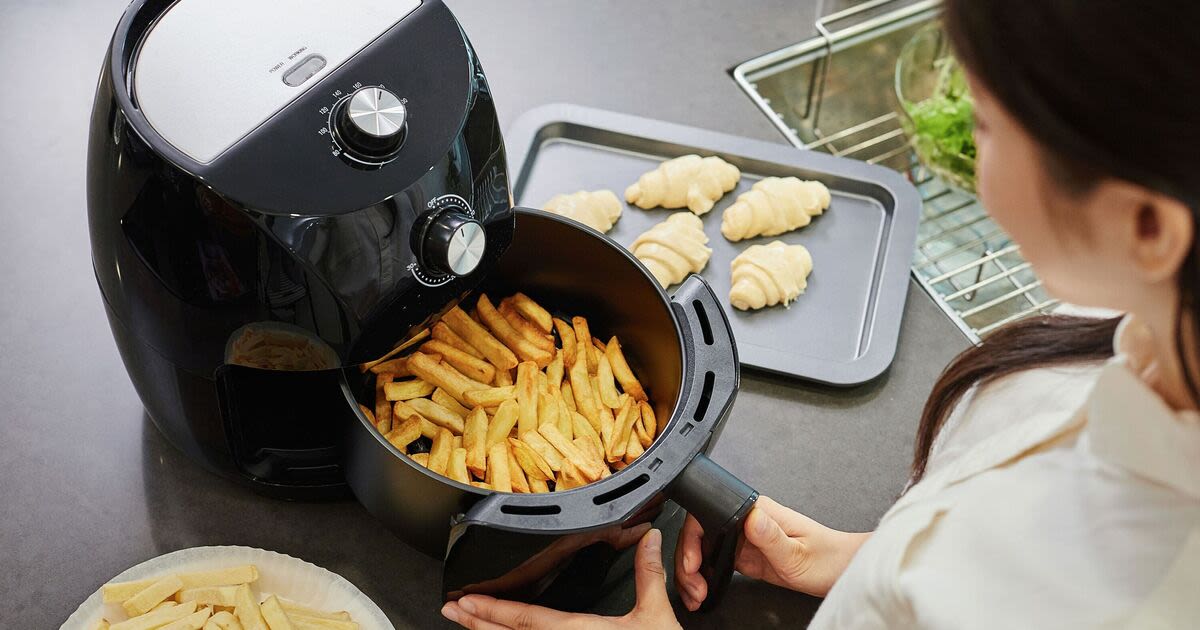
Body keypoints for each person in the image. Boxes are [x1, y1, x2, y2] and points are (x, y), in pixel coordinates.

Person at [441, 1, 1200, 627]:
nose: (960, 144)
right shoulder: (1129, 329)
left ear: (1147, 228)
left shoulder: (1142, 591)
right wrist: (870, 563)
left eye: (989, 124)